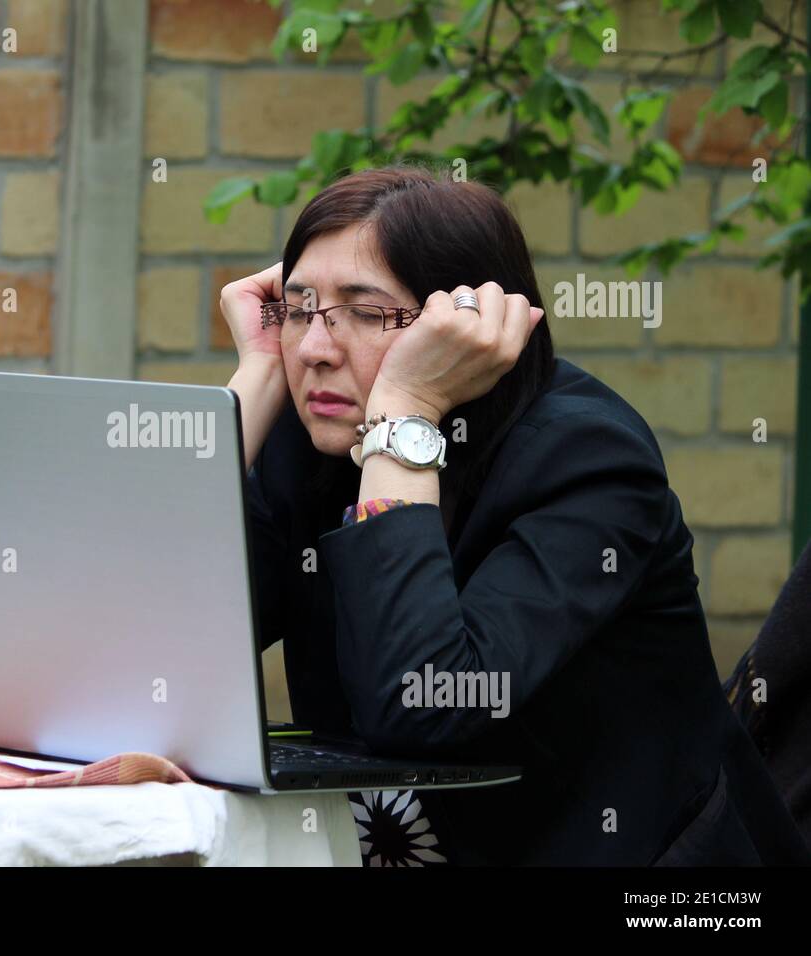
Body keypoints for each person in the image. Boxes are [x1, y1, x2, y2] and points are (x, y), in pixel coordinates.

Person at [222, 164, 808, 866]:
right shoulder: (312, 431)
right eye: (298, 308)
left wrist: (405, 418)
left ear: (468, 329)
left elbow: (422, 705)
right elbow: (154, 654)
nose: (315, 349)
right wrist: (254, 380)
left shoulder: (587, 459)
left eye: (368, 313)